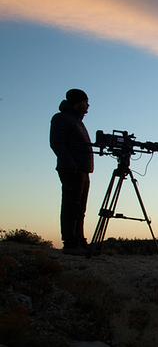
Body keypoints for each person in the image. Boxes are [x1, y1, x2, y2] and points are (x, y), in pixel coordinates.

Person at [50, 88, 94, 255]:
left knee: (80, 208)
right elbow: (57, 143)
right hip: (72, 169)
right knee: (71, 206)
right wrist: (71, 164)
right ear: (77, 103)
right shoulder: (61, 118)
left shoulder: (77, 121)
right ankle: (70, 243)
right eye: (85, 102)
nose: (88, 105)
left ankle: (79, 240)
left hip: (83, 170)